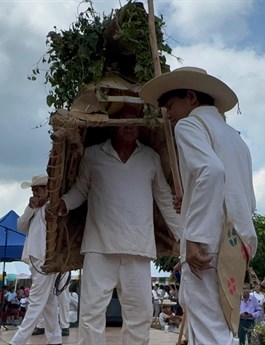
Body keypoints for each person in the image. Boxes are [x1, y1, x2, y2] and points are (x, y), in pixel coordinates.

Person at [140, 66, 258, 344]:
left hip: (211, 242)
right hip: (237, 241)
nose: (168, 114)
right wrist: (192, 197)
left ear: (191, 97)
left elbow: (211, 173)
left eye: (170, 105)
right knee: (221, 326)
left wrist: (195, 237)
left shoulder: (190, 124)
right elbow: (243, 197)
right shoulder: (236, 137)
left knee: (209, 331)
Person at [53, 121, 182, 345]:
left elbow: (165, 199)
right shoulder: (93, 155)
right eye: (124, 123)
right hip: (99, 245)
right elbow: (81, 190)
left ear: (141, 127)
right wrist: (63, 204)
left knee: (140, 314)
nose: (129, 127)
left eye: (134, 123)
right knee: (91, 313)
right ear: (113, 126)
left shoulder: (151, 157)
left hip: (138, 247)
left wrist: (185, 238)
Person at [9, 174, 62, 345]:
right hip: (35, 258)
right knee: (49, 301)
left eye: (37, 189)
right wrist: (30, 208)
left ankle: (18, 340)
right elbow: (20, 226)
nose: (34, 193)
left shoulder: (53, 208)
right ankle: (55, 339)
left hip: (46, 259)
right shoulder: (33, 208)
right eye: (33, 190)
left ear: (47, 190)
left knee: (37, 300)